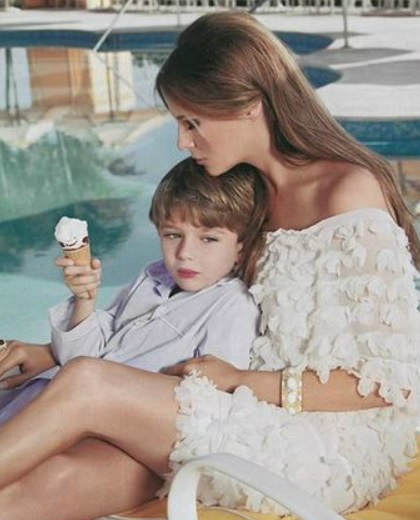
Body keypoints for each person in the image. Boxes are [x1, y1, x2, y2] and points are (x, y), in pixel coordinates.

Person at [0, 11, 420, 520]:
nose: (182, 141)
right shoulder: (247, 196)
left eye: (192, 122)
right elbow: (189, 316)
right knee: (54, 479)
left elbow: (388, 382)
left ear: (249, 105)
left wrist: (241, 381)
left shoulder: (346, 190)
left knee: (87, 383)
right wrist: (51, 352)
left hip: (322, 443)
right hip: (231, 409)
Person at [0, 157, 267, 425]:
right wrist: (85, 300)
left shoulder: (233, 307)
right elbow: (83, 359)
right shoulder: (152, 277)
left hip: (113, 425)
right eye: (173, 235)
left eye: (208, 239)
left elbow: (214, 407)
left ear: (241, 247)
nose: (185, 253)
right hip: (66, 397)